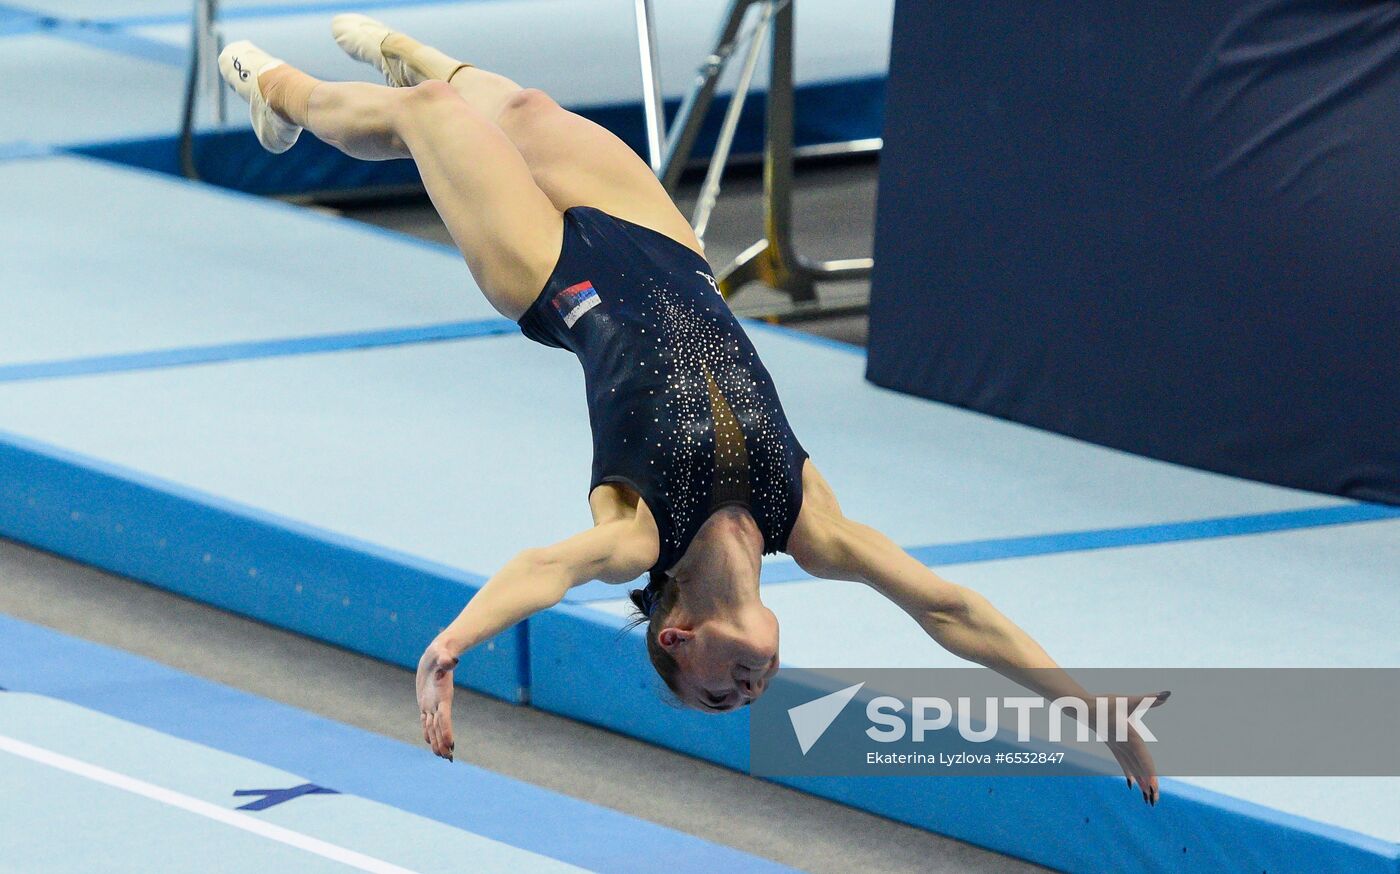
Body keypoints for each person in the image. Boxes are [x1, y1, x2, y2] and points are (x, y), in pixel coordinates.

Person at [218, 16, 1162, 804]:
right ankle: (417, 58)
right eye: (741, 701)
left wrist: (453, 643)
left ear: (679, 637)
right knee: (530, 110)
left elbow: (544, 570)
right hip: (669, 252)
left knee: (428, 117)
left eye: (717, 695)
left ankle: (282, 94)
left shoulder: (640, 538)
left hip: (554, 279)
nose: (748, 694)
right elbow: (951, 611)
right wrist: (1083, 705)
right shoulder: (809, 525)